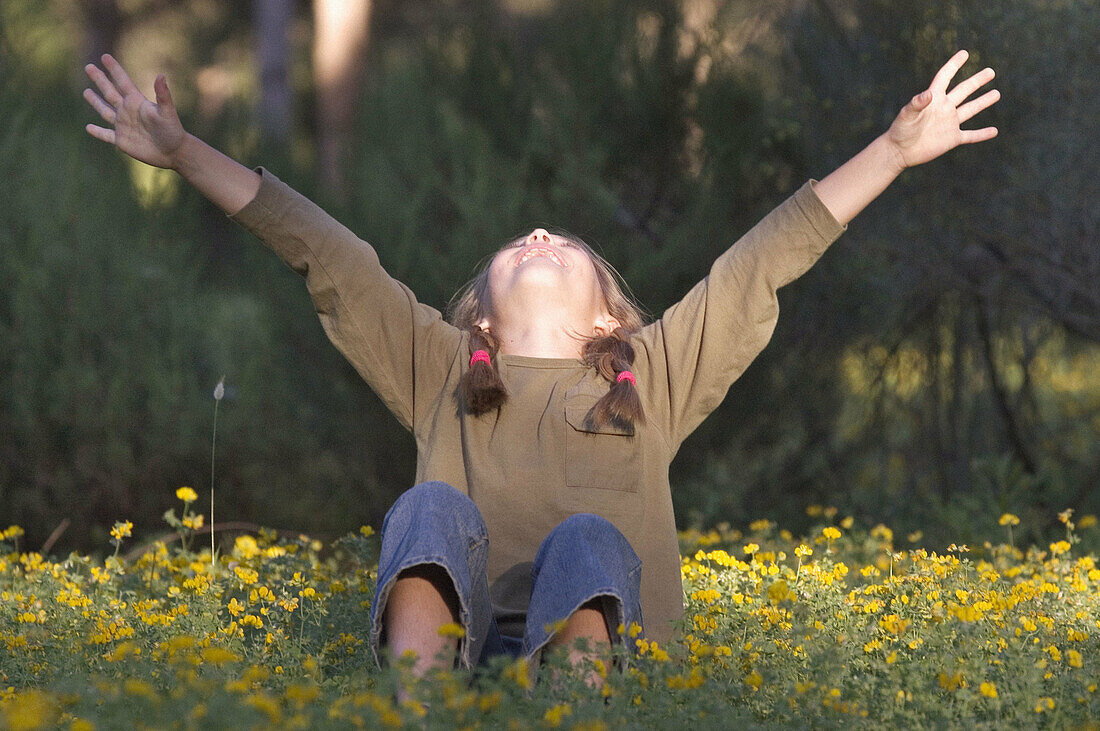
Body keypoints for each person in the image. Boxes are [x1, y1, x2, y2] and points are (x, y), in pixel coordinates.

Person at [82, 49, 999, 681]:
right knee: (429, 509)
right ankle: (423, 706)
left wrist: (892, 151)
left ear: (611, 314)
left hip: (597, 651)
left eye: (562, 241)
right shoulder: (439, 368)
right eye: (522, 242)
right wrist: (181, 151)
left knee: (589, 542)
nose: (537, 233)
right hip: (464, 639)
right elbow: (322, 249)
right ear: (478, 310)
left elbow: (764, 258)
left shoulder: (651, 377)